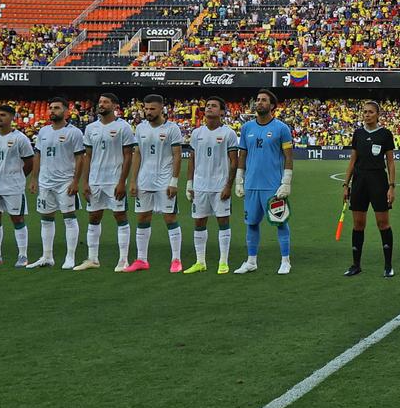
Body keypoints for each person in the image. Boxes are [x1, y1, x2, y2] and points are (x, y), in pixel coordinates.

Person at [125, 94, 186, 273]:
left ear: (161, 109)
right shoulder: (141, 128)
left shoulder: (172, 128)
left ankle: (176, 259)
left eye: (152, 109)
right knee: (143, 217)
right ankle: (141, 260)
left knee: (170, 218)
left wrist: (174, 181)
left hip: (164, 182)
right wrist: (133, 180)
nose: (148, 112)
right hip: (144, 181)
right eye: (146, 108)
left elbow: (177, 156)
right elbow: (138, 155)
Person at [236, 89, 295, 275]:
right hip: (251, 185)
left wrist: (286, 182)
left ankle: (285, 261)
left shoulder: (281, 128)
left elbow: (288, 157)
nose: (259, 103)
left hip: (273, 186)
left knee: (280, 222)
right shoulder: (246, 128)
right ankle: (251, 261)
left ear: (272, 106)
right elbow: (242, 154)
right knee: (251, 223)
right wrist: (239, 179)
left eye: (263, 100)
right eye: (258, 100)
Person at [79, 91, 137, 271]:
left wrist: (122, 182)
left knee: (120, 216)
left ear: (114, 106)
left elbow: (128, 156)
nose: (101, 105)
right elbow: (87, 156)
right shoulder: (90, 128)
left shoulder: (123, 127)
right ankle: (92, 259)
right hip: (95, 180)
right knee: (94, 217)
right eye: (100, 102)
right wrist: (85, 182)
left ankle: (123, 259)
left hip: (114, 180)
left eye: (105, 102)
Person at [184, 98, 239, 275]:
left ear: (222, 112)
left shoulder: (228, 134)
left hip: (219, 186)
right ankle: (200, 261)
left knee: (223, 221)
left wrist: (228, 186)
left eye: (213, 106)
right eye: (207, 106)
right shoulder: (196, 133)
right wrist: (189, 183)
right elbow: (192, 159)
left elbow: (233, 162)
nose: (209, 108)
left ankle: (223, 262)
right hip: (200, 186)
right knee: (199, 222)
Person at [343, 99, 397, 278]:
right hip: (359, 182)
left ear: (377, 114)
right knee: (358, 224)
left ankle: (388, 265)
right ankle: (356, 265)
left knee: (383, 223)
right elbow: (352, 161)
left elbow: (390, 162)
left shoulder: (385, 134)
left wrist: (391, 186)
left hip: (378, 181)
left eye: (370, 112)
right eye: (365, 112)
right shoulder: (358, 134)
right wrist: (346, 184)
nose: (367, 115)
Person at [31, 98, 87, 270]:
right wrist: (34, 178)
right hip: (45, 182)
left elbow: (80, 158)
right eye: (50, 108)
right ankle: (47, 256)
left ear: (66, 111)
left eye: (57, 108)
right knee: (46, 218)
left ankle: (70, 257)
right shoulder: (43, 131)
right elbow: (38, 155)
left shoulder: (74, 132)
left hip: (65, 182)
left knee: (69, 217)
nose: (52, 111)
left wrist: (76, 181)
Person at [0, 104, 36, 267]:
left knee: (17, 219)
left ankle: (23, 256)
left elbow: (29, 162)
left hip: (13, 187)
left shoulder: (20, 138)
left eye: (3, 115)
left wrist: (16, 177)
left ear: (12, 117)